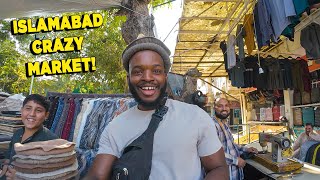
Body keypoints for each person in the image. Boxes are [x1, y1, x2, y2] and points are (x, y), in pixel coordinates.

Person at [86, 35, 228, 180]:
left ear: (165, 77)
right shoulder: (114, 128)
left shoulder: (195, 116)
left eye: (156, 71)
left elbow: (219, 168)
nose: (147, 77)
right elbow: (97, 175)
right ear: (128, 78)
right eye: (138, 71)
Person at [1, 94, 58, 180]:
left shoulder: (51, 142)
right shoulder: (18, 133)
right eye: (28, 108)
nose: (32, 114)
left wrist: (19, 178)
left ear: (46, 115)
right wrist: (5, 165)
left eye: (38, 110)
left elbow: (54, 175)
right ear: (21, 110)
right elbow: (9, 156)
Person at [212, 97, 258, 180]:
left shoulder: (224, 122)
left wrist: (246, 149)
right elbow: (214, 153)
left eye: (226, 105)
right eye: (220, 106)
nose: (224, 109)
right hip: (226, 175)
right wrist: (236, 161)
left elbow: (231, 145)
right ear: (214, 107)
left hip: (235, 174)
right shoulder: (212, 125)